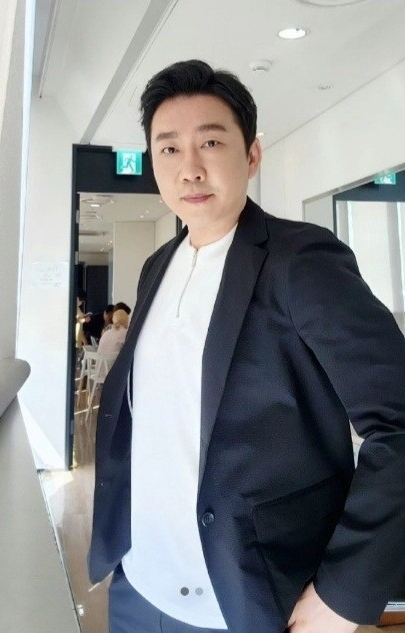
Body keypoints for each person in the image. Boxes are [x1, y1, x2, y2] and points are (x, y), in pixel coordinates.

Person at [87, 60, 405, 633]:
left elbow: (398, 424)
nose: (190, 168)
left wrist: (342, 596)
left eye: (211, 142)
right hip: (139, 583)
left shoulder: (300, 261)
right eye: (169, 149)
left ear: (252, 154)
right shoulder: (158, 265)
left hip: (247, 597)